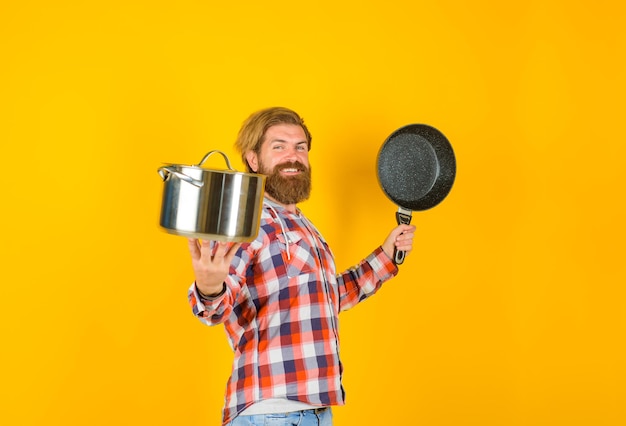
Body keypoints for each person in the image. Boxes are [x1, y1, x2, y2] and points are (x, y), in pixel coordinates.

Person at [187, 107, 416, 426]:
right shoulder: (248, 220)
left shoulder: (300, 224)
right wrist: (209, 288)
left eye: (300, 147)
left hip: (313, 410)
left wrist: (387, 255)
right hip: (273, 413)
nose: (292, 156)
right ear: (254, 160)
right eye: (278, 147)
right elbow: (215, 308)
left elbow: (327, 298)